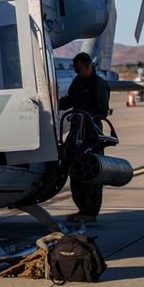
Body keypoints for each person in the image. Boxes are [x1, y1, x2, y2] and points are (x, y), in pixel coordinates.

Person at [58, 52, 111, 224]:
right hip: (76, 133)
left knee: (91, 172)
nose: (77, 72)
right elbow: (70, 99)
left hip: (91, 134)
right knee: (75, 171)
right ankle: (82, 208)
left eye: (79, 69)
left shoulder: (99, 84)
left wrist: (82, 115)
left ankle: (91, 211)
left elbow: (102, 111)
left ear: (88, 66)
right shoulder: (78, 81)